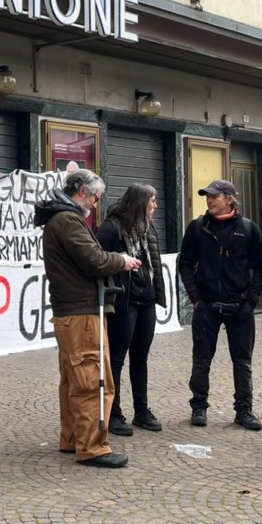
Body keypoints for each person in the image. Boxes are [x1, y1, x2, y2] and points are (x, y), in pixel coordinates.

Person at [34, 169, 140, 469]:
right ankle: (93, 446)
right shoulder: (67, 220)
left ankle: (72, 438)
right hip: (81, 311)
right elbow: (93, 260)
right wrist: (121, 260)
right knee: (92, 380)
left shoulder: (61, 218)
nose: (96, 203)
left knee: (74, 377)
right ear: (81, 191)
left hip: (72, 310)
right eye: (95, 197)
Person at [178, 178, 262, 431]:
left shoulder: (249, 229)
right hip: (206, 306)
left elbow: (261, 268)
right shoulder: (197, 227)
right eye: (207, 196)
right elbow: (184, 263)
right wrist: (195, 297)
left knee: (242, 361)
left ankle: (244, 410)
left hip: (239, 306)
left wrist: (251, 300)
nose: (209, 199)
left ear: (230, 199)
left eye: (214, 196)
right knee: (201, 360)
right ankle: (199, 407)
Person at [95, 183, 167, 436]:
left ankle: (142, 411)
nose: (156, 206)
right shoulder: (111, 227)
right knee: (116, 359)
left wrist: (157, 292)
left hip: (146, 300)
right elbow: (97, 261)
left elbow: (153, 261)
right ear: (140, 202)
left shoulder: (147, 226)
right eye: (153, 201)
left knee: (141, 357)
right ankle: (113, 413)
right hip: (123, 302)